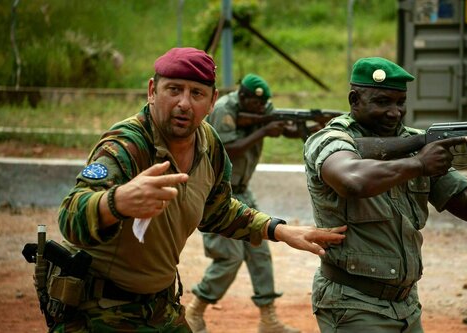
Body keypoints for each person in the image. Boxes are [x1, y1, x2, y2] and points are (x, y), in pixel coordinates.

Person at [53, 47, 346, 332]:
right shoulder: (126, 146)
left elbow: (217, 210)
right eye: (174, 90)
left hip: (159, 302)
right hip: (99, 307)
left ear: (212, 100)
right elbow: (70, 215)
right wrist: (116, 202)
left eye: (196, 94)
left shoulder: (208, 143)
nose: (184, 103)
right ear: (152, 90)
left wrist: (278, 230)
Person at [303, 57, 467, 332]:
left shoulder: (417, 142)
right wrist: (418, 165)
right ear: (354, 99)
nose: (394, 112)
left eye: (400, 102)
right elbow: (351, 180)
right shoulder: (329, 139)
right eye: (382, 102)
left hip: (406, 305)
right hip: (352, 304)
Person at [186, 74, 302, 333]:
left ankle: (268, 319)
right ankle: (194, 312)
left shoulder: (262, 109)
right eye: (256, 105)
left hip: (243, 191)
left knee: (260, 250)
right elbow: (229, 148)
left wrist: (305, 129)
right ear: (243, 97)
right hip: (217, 193)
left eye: (264, 106)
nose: (261, 109)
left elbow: (280, 126)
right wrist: (263, 130)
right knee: (229, 257)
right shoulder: (225, 109)